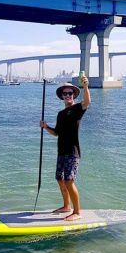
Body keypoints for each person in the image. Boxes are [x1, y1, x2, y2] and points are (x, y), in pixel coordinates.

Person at [40, 76, 91, 221]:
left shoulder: (77, 109)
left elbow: (87, 102)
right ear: (62, 96)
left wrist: (86, 86)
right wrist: (46, 127)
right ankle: (66, 206)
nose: (68, 95)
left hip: (73, 153)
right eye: (65, 94)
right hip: (61, 152)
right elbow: (56, 133)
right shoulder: (60, 114)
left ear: (74, 95)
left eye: (70, 93)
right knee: (60, 179)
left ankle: (77, 212)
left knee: (69, 181)